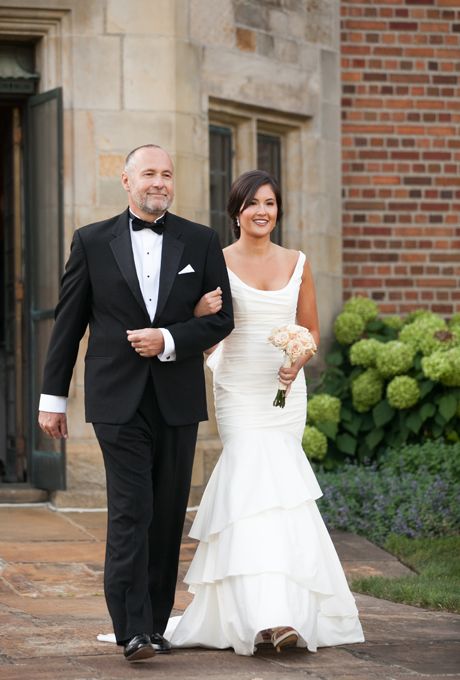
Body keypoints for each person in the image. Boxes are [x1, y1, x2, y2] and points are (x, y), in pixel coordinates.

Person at [38, 144, 234, 662]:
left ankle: (156, 621)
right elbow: (69, 324)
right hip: (115, 399)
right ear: (126, 180)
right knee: (132, 510)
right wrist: (52, 397)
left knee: (167, 513)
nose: (160, 182)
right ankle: (132, 630)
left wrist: (168, 340)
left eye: (167, 174)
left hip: (176, 398)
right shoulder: (91, 241)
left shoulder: (201, 240)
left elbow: (221, 319)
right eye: (149, 173)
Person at [165, 170, 364, 655]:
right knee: (249, 491)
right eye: (252, 203)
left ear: (278, 211)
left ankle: (285, 615)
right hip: (238, 389)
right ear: (236, 211)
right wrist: (195, 316)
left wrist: (298, 361)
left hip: (283, 393)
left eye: (270, 203)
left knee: (281, 496)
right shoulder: (217, 260)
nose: (262, 211)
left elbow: (311, 329)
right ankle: (256, 615)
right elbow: (208, 325)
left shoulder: (299, 262)